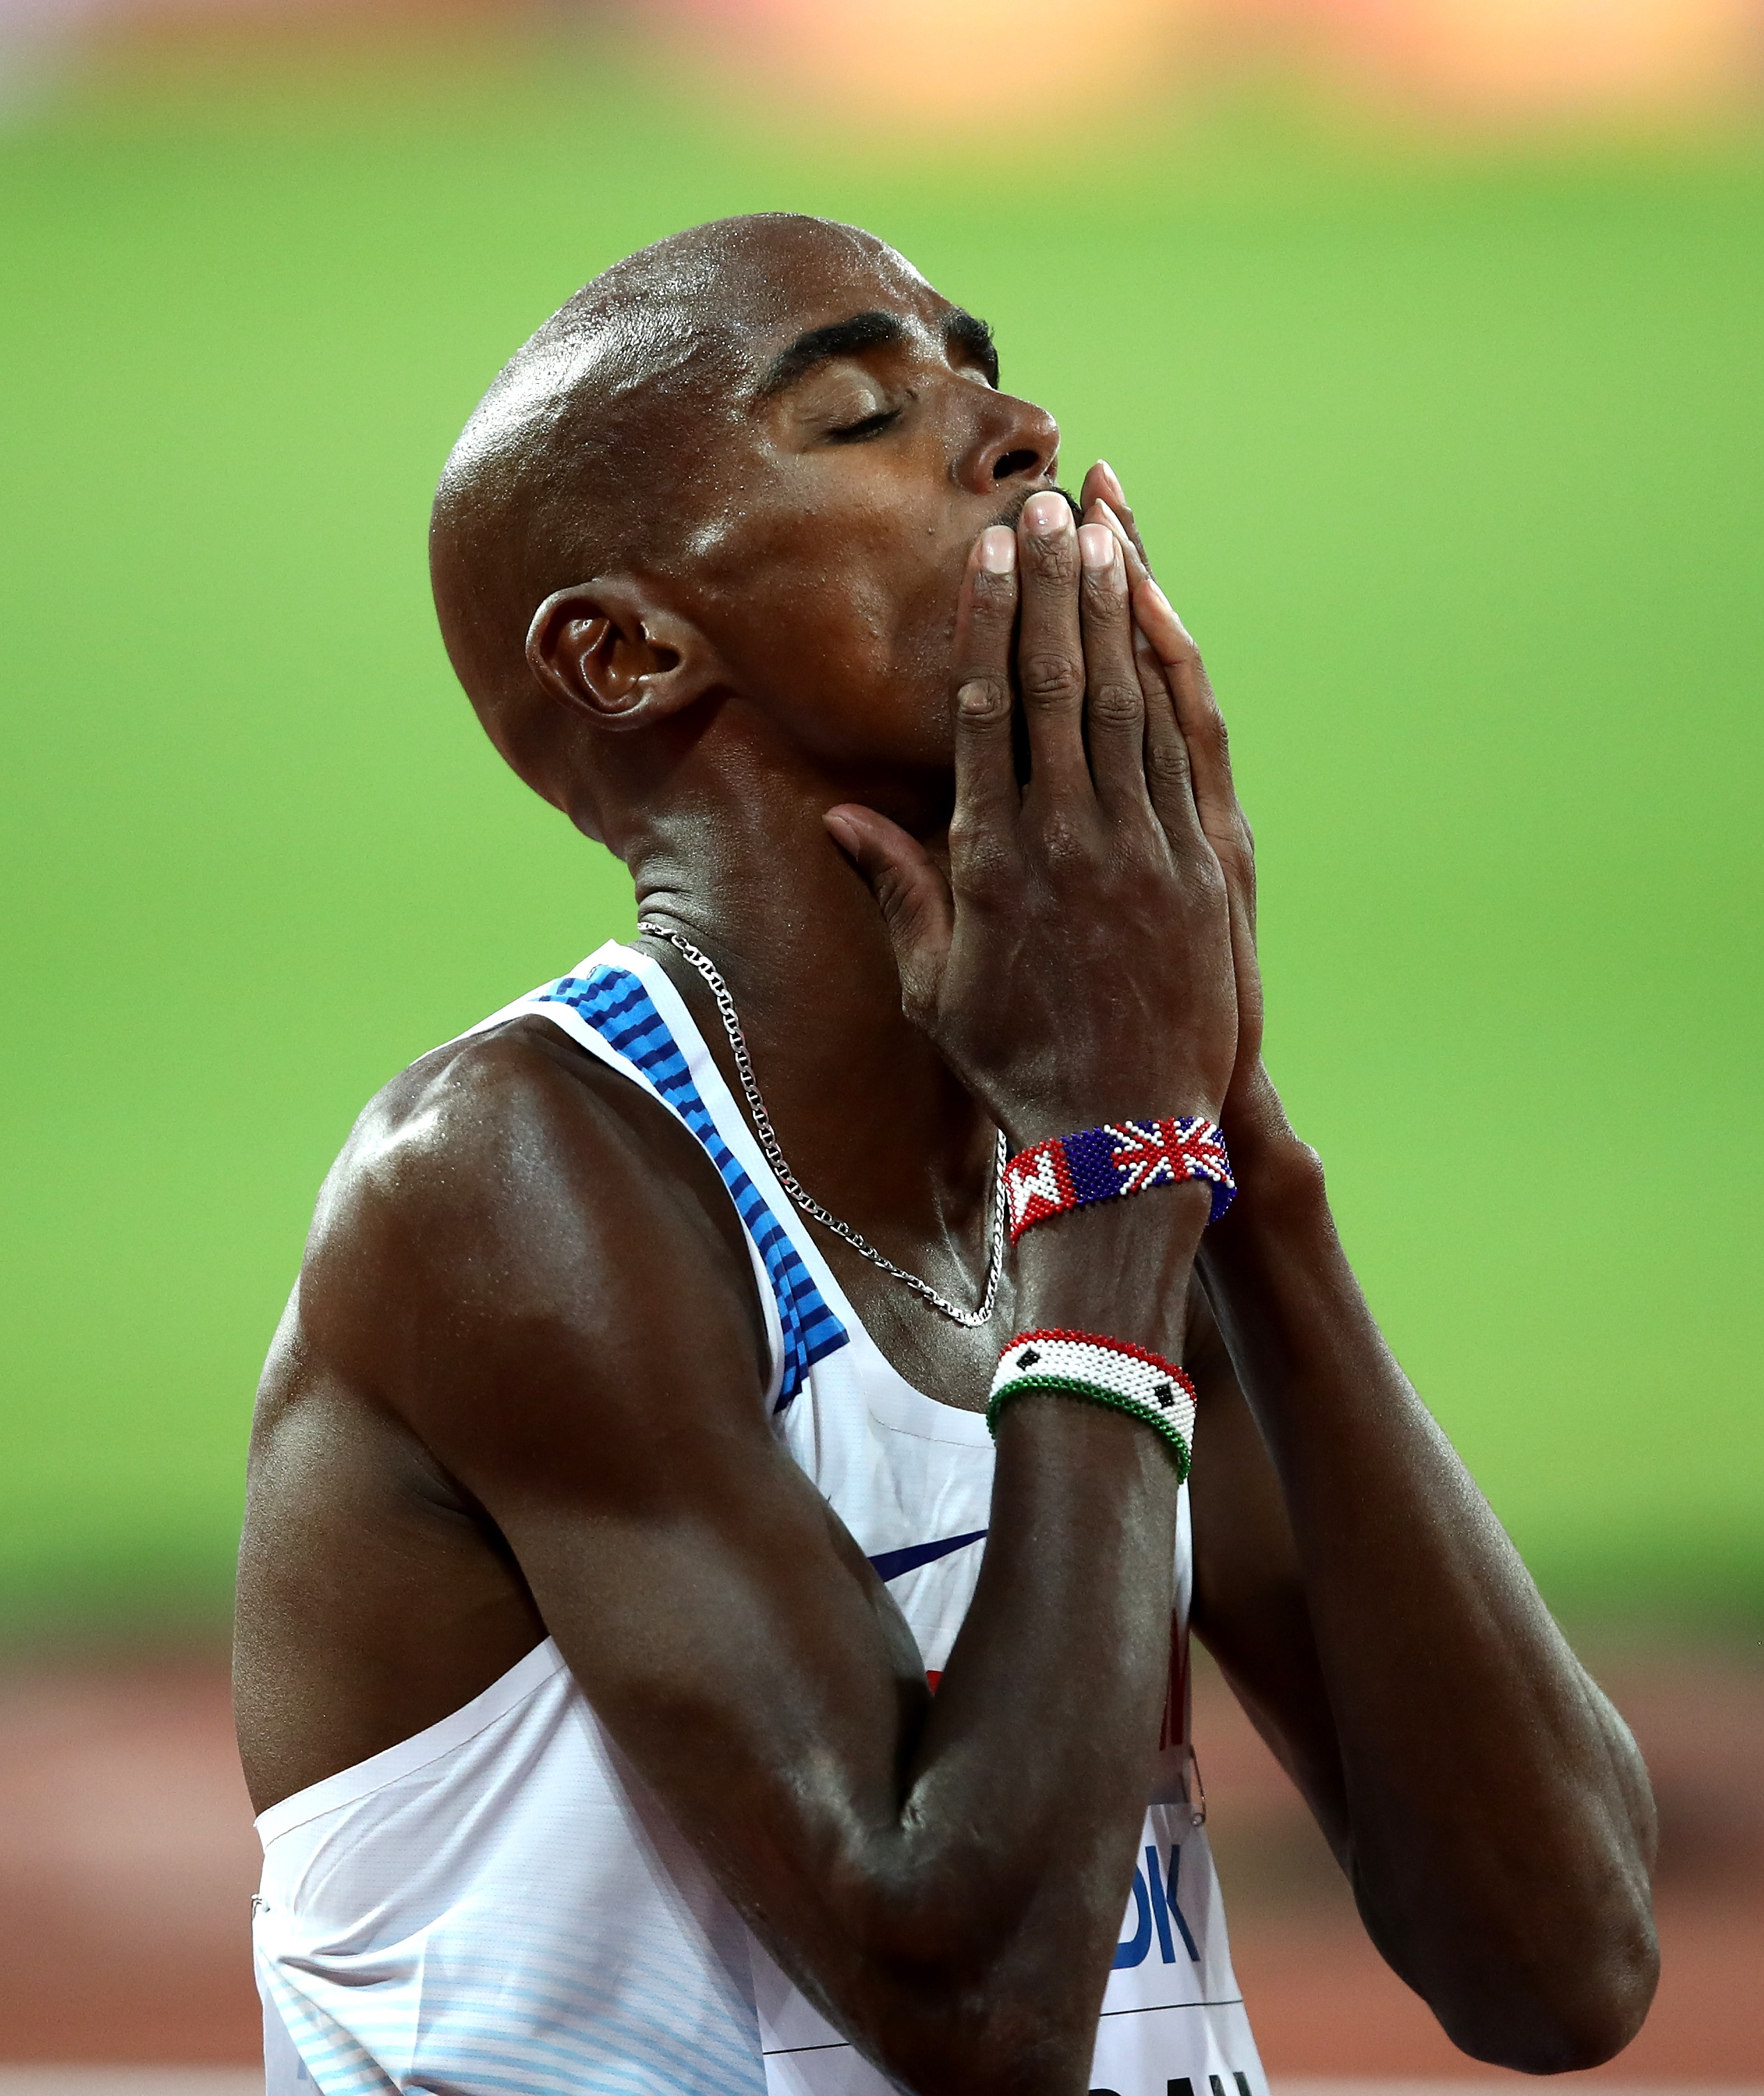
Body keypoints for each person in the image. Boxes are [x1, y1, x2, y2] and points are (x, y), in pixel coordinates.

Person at [234, 213, 1658, 2096]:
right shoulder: (515, 1180)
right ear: (627, 650)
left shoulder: (1081, 1180)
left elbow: (1559, 1964)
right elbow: (968, 2010)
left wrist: (1230, 1130)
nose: (1012, 427)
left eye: (978, 371)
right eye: (855, 411)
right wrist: (1113, 1170)